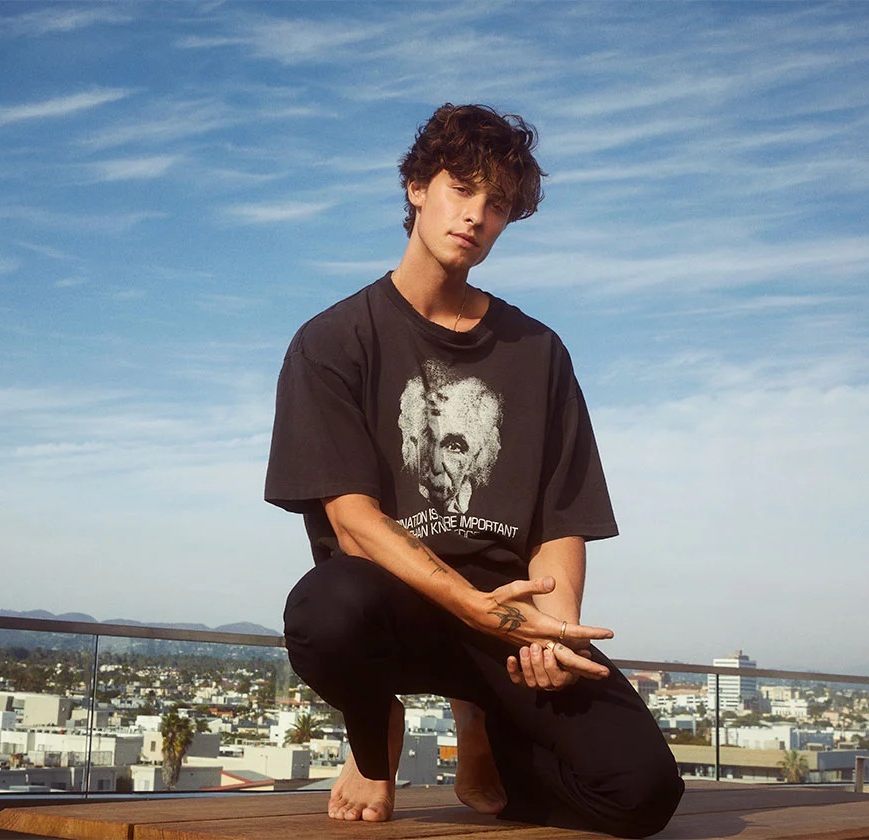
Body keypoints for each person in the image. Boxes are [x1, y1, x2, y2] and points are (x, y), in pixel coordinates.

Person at [264, 104, 683, 838]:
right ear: (416, 187)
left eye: (498, 205)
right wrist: (470, 605)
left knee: (642, 795)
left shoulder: (538, 352)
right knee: (326, 608)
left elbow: (561, 520)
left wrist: (552, 632)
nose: (476, 216)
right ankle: (373, 730)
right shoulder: (333, 340)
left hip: (507, 619)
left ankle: (488, 733)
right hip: (392, 609)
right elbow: (353, 524)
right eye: (462, 189)